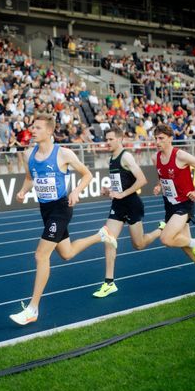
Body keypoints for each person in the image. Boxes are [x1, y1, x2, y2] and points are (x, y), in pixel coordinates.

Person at [9, 114, 117, 326]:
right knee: (66, 253)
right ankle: (101, 235)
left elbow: (87, 174)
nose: (33, 130)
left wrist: (76, 191)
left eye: (38, 127)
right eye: (33, 126)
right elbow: (30, 178)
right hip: (45, 210)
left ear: (49, 131)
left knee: (41, 255)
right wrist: (22, 191)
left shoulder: (64, 153)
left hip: (61, 208)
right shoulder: (29, 154)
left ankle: (32, 309)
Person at [93, 125, 165, 297]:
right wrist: (108, 191)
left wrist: (122, 193)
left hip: (132, 204)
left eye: (111, 139)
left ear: (120, 139)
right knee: (109, 239)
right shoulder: (112, 158)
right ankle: (109, 282)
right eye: (106, 139)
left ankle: (161, 229)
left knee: (138, 244)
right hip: (118, 206)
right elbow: (121, 183)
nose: (107, 142)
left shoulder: (126, 157)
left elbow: (142, 180)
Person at [153, 123, 195, 290]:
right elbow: (163, 175)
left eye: (161, 138)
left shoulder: (180, 155)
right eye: (156, 138)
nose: (157, 141)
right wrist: (159, 185)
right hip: (169, 204)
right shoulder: (157, 157)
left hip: (184, 204)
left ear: (170, 139)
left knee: (166, 239)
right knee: (184, 245)